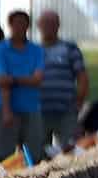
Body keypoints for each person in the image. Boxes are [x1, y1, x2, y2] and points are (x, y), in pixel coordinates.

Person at [0, 10, 45, 163]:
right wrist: (26, 79)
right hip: (6, 108)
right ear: (10, 25)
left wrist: (12, 79)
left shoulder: (36, 50)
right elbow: (1, 80)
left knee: (34, 155)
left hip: (31, 107)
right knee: (5, 156)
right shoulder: (1, 49)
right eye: (16, 23)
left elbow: (38, 79)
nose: (20, 27)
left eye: (23, 23)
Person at [36, 10, 88, 153]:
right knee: (40, 153)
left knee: (70, 151)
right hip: (39, 111)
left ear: (58, 25)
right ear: (38, 25)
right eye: (45, 23)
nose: (48, 27)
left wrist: (79, 103)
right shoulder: (32, 51)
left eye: (52, 23)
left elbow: (82, 77)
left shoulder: (70, 48)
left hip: (66, 111)